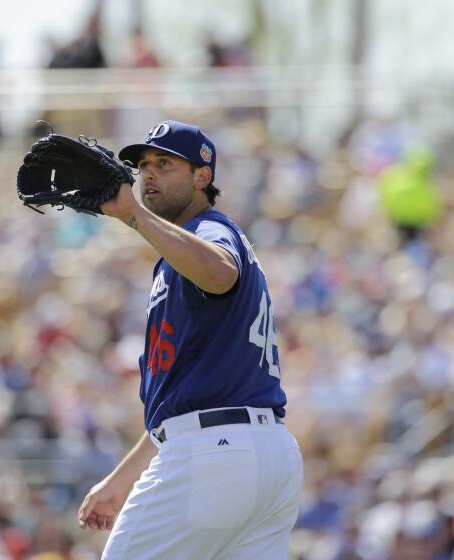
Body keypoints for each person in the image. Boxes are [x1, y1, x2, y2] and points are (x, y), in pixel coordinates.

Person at [77, 120, 303, 559]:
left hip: (216, 455)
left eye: (165, 163)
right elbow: (181, 401)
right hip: (263, 453)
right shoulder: (178, 256)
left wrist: (133, 214)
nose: (148, 175)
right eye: (143, 165)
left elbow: (221, 272)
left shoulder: (210, 231)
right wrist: (121, 479)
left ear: (203, 177)